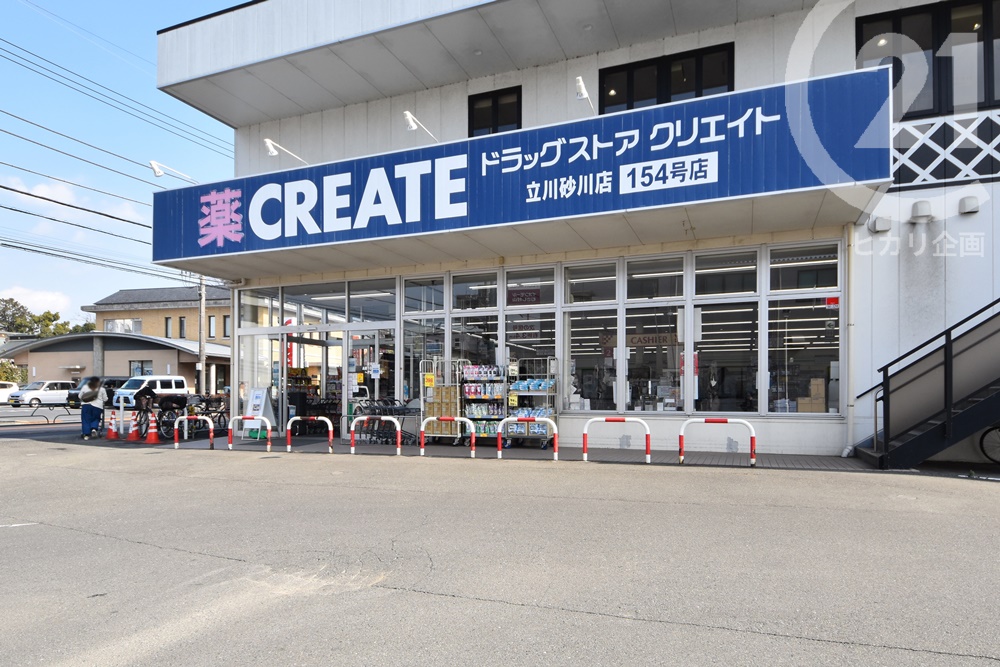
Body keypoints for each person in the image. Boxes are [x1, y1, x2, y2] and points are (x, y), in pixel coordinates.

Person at [79, 377, 107, 441]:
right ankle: (94, 428)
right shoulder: (101, 389)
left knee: (86, 420)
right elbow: (105, 399)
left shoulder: (85, 387)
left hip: (86, 405)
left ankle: (86, 434)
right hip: (97, 406)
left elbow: (80, 396)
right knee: (96, 418)